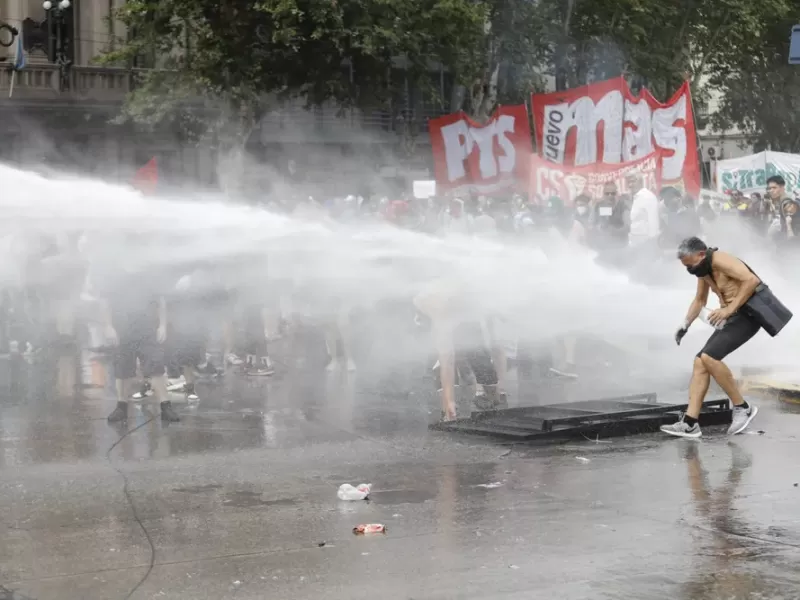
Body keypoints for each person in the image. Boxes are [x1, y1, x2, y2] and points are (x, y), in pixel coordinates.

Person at [662, 237, 760, 438]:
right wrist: (685, 324)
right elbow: (700, 299)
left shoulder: (721, 260)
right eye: (685, 266)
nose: (689, 269)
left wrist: (729, 309)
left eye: (690, 264)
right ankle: (690, 423)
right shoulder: (703, 268)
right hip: (731, 316)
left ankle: (743, 407)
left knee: (709, 357)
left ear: (701, 254)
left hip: (748, 315)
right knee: (700, 362)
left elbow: (752, 281)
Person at [626, 172, 660, 245]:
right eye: (628, 182)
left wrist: (651, 244)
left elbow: (653, 223)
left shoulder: (648, 197)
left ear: (640, 181)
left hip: (646, 242)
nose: (630, 185)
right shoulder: (634, 198)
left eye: (632, 181)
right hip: (634, 241)